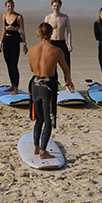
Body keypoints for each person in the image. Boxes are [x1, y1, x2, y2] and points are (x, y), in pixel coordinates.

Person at [28, 22, 74, 159]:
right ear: (51, 34)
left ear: (38, 33)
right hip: (48, 86)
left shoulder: (32, 50)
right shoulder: (56, 51)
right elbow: (65, 69)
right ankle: (43, 151)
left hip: (35, 85)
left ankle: (36, 148)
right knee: (48, 119)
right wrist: (69, 81)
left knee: (39, 119)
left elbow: (32, 69)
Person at [0, 0, 27, 92]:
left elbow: (22, 31)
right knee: (9, 64)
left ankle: (16, 87)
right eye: (8, 6)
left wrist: (25, 44)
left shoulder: (19, 17)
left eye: (12, 6)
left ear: (14, 6)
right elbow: (3, 30)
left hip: (15, 41)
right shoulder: (4, 16)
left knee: (14, 64)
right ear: (6, 7)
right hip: (6, 41)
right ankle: (12, 85)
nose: (10, 8)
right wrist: (0, 43)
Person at [44, 0, 72, 69]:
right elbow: (44, 32)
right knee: (52, 65)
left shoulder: (64, 17)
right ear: (51, 6)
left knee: (66, 64)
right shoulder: (48, 18)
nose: (56, 7)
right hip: (52, 42)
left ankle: (67, 79)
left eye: (57, 6)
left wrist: (69, 44)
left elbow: (68, 31)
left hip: (62, 42)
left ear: (60, 6)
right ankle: (54, 80)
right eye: (54, 6)